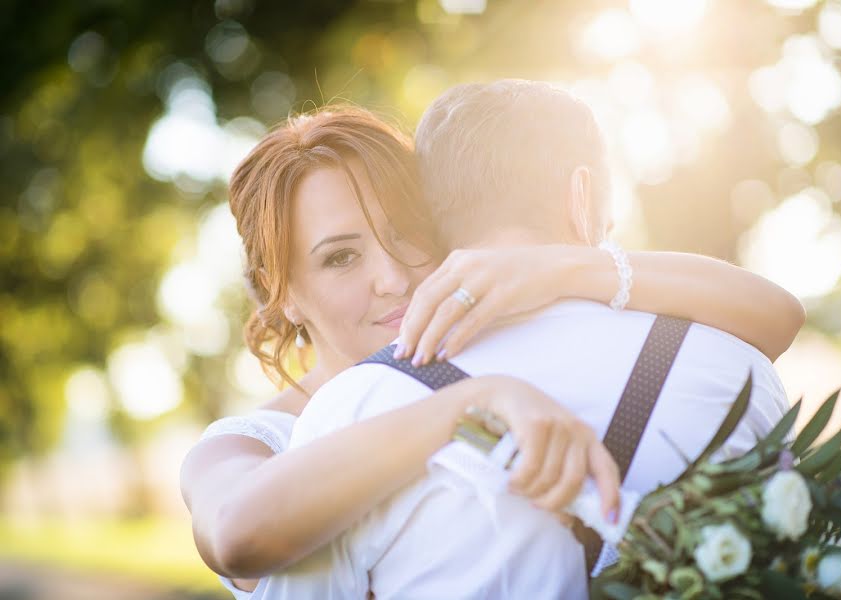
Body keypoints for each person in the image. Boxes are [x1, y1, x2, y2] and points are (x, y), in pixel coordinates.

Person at [180, 103, 804, 598]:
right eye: (341, 257)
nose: (393, 278)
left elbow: (775, 316)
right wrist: (466, 405)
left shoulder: (503, 351)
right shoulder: (249, 440)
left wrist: (563, 267)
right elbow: (235, 533)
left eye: (407, 239)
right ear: (282, 293)